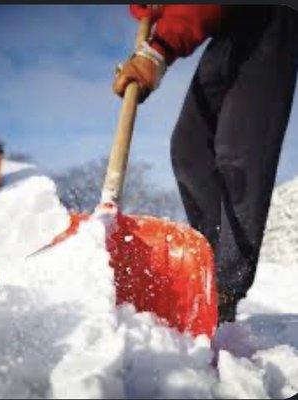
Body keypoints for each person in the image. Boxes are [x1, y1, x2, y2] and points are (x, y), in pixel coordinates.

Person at [113, 4, 298, 323]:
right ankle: (210, 268)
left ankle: (224, 289)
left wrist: (159, 50)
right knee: (190, 150)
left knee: (237, 154)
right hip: (229, 27)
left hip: (272, 13)